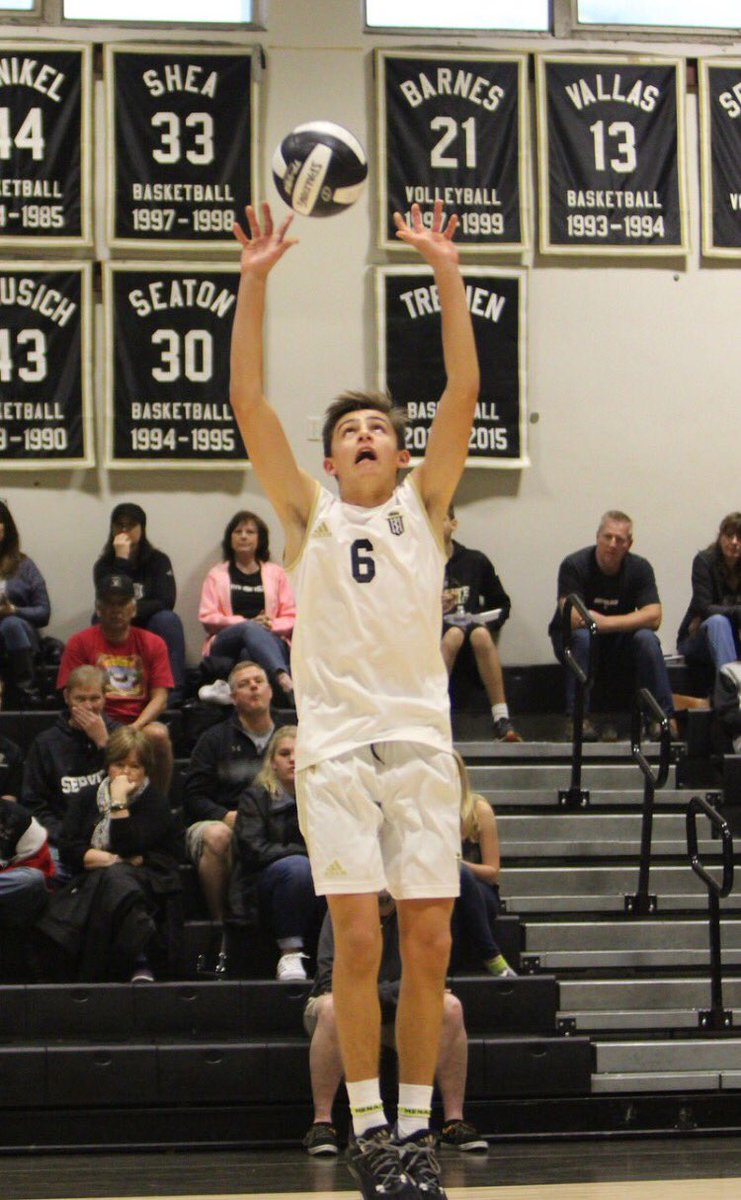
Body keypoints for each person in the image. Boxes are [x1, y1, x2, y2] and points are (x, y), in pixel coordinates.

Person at [229, 197, 479, 1200]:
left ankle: (416, 1132)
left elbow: (464, 383)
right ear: (331, 460)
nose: (368, 434)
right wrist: (255, 281)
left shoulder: (429, 506)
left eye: (381, 426)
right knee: (360, 935)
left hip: (420, 739)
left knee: (430, 939)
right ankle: (370, 1130)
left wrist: (447, 271)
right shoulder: (308, 516)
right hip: (333, 742)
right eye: (351, 430)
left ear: (403, 452)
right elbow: (251, 403)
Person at [302, 893, 487, 1158]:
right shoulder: (343, 907)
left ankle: (453, 1121)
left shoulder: (418, 911)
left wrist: (384, 995)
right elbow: (332, 982)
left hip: (401, 1012)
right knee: (333, 1008)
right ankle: (322, 1123)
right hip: (348, 1009)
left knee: (450, 1007)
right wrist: (396, 992)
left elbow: (431, 981)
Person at [35, 727, 183, 982]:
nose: (126, 773)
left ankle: (101, 969)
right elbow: (69, 846)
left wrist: (118, 803)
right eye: (119, 764)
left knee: (117, 881)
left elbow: (129, 845)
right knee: (113, 878)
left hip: (149, 883)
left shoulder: (154, 802)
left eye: (134, 766)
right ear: (107, 765)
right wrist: (112, 860)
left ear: (145, 769)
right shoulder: (86, 797)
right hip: (94, 879)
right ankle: (139, 962)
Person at [548, 511, 676, 742]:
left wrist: (604, 622)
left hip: (616, 641)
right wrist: (622, 621)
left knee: (647, 639)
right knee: (583, 637)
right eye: (608, 537)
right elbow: (572, 617)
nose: (613, 544)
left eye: (620, 539)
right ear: (597, 537)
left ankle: (661, 719)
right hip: (575, 642)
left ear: (629, 544)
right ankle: (578, 720)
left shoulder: (640, 568)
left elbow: (654, 617)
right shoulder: (574, 565)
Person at [57, 574, 173, 793]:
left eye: (122, 603)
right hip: (94, 719)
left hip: (137, 723)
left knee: (158, 734)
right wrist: (97, 725)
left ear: (133, 608)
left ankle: (157, 807)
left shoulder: (153, 643)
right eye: (109, 603)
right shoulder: (79, 643)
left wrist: (133, 729)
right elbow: (71, 693)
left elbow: (161, 698)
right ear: (98, 608)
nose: (116, 609)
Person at [232, 725, 325, 981]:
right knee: (298, 868)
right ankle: (290, 953)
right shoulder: (255, 798)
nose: (293, 759)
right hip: (262, 885)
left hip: (317, 880)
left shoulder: (324, 798)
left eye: (299, 752)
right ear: (272, 763)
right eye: (285, 753)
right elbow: (253, 849)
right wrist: (303, 855)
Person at [22, 665, 116, 884]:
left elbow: (131, 785)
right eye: (80, 699)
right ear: (66, 697)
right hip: (63, 840)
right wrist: (66, 836)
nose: (88, 707)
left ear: (105, 699)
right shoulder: (45, 744)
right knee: (49, 870)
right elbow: (34, 804)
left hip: (110, 835)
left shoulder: (118, 735)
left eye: (95, 699)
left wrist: (104, 743)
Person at [198, 510, 296, 706]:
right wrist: (246, 623)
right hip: (227, 640)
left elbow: (291, 616)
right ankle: (283, 678)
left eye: (250, 532)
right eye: (238, 531)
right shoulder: (217, 574)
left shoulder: (276, 573)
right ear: (230, 538)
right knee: (249, 630)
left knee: (248, 654)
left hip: (270, 639)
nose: (243, 536)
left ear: (260, 539)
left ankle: (234, 695)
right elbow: (207, 617)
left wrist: (269, 626)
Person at [441, 503, 521, 743]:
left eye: (441, 518)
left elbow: (502, 604)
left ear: (453, 524)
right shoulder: (416, 562)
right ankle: (435, 713)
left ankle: (501, 717)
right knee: (454, 634)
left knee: (480, 635)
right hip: (436, 632)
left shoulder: (474, 561)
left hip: (471, 627)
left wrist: (487, 623)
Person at [93, 503, 186, 703]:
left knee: (168, 619)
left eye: (131, 525)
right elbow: (109, 599)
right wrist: (121, 560)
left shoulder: (158, 560)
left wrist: (131, 610)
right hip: (116, 621)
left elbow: (165, 601)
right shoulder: (104, 564)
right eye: (119, 525)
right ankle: (108, 688)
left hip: (150, 622)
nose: (124, 531)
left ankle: (175, 693)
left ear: (142, 529)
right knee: (98, 618)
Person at [451, 753, 515, 979]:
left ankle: (490, 955)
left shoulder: (479, 809)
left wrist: (458, 864)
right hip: (444, 891)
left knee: (459, 873)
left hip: (481, 892)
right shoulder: (425, 812)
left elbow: (493, 873)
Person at [677, 512, 741, 680]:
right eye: (729, 536)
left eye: (740, 537)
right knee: (718, 622)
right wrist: (737, 612)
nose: (734, 542)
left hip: (735, 639)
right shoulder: (704, 561)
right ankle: (731, 694)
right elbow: (704, 609)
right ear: (720, 537)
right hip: (697, 638)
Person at [0, 499, 50, 707]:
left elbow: (43, 612)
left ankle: (26, 692)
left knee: (11, 624)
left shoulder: (24, 565)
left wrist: (14, 610)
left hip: (18, 635)